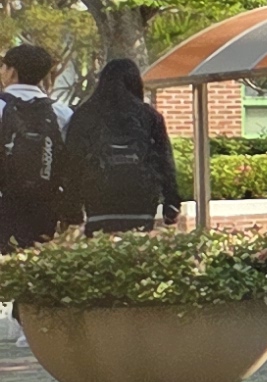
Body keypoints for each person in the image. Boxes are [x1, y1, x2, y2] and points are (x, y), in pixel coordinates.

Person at [56, 59, 175, 232]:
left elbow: (73, 163)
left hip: (98, 198)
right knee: (137, 249)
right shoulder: (149, 116)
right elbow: (165, 160)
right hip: (141, 198)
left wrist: (71, 208)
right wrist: (171, 202)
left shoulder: (84, 115)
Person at [0, 43, 66, 251]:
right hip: (45, 203)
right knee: (37, 260)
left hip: (4, 203)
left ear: (12, 72)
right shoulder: (61, 112)